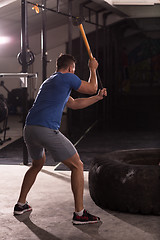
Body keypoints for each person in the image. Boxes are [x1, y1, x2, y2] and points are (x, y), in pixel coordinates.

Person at [13, 53, 107, 225]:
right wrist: (92, 69)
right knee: (77, 165)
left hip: (30, 129)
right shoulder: (67, 78)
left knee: (37, 164)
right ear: (71, 68)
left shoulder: (50, 82)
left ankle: (21, 205)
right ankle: (80, 214)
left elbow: (74, 103)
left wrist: (97, 98)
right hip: (45, 129)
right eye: (74, 70)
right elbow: (92, 87)